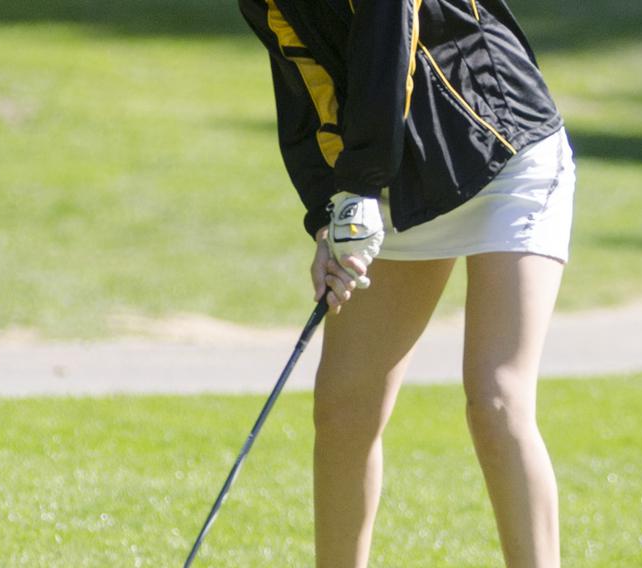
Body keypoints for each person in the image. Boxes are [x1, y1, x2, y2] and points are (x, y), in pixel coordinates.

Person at [238, 0, 575, 566]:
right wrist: (327, 217)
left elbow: (388, 36)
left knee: (496, 399)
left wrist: (359, 185)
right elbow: (304, 86)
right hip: (391, 182)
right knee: (344, 405)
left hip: (503, 149)